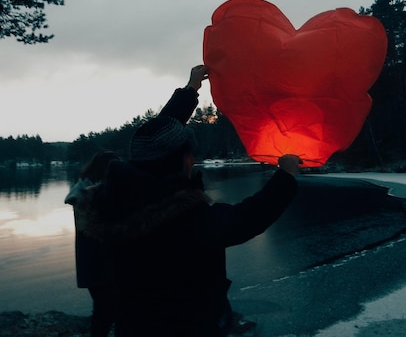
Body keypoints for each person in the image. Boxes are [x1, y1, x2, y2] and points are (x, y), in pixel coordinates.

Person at [80, 65, 301, 337]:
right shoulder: (185, 219)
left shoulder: (115, 198)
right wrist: (286, 176)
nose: (193, 160)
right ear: (183, 161)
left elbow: (154, 140)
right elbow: (247, 218)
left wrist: (191, 89)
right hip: (190, 327)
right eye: (190, 155)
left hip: (134, 327)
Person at [65, 150, 120, 337]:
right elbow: (104, 230)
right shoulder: (93, 196)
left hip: (89, 262)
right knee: (107, 310)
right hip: (100, 263)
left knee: (104, 309)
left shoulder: (84, 190)